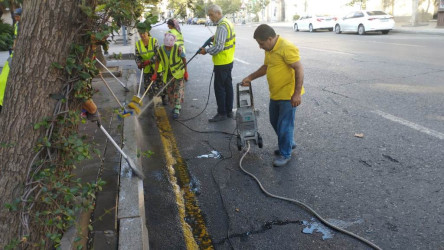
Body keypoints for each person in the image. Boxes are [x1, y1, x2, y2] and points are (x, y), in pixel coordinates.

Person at [241, 24, 305, 167]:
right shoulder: (270, 48)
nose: (260, 47)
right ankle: (289, 143)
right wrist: (250, 77)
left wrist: (296, 94)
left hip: (288, 95)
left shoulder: (286, 47)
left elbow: (299, 69)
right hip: (276, 94)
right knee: (274, 121)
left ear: (270, 39)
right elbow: (266, 67)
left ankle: (285, 153)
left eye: (261, 43)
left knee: (284, 125)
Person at [198, 5, 235, 122]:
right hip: (228, 60)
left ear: (218, 13)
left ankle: (222, 113)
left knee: (219, 88)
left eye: (211, 15)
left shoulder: (222, 26)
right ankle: (229, 111)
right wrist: (217, 37)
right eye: (209, 15)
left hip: (222, 62)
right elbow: (225, 39)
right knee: (228, 86)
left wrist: (206, 50)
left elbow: (219, 47)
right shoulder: (227, 22)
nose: (210, 17)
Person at [152, 33, 188, 119]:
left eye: (170, 46)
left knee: (177, 90)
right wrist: (155, 73)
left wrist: (186, 72)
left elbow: (184, 59)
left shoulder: (178, 48)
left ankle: (177, 107)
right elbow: (157, 61)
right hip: (167, 74)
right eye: (167, 47)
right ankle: (175, 105)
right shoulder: (161, 50)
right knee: (170, 91)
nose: (169, 48)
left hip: (178, 73)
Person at [134, 23, 166, 104]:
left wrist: (149, 61)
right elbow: (137, 56)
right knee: (149, 87)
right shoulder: (138, 44)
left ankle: (160, 101)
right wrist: (139, 64)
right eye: (140, 34)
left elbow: (158, 55)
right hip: (147, 69)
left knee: (159, 86)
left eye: (143, 33)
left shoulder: (154, 41)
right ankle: (154, 103)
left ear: (147, 32)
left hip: (157, 67)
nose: (142, 35)